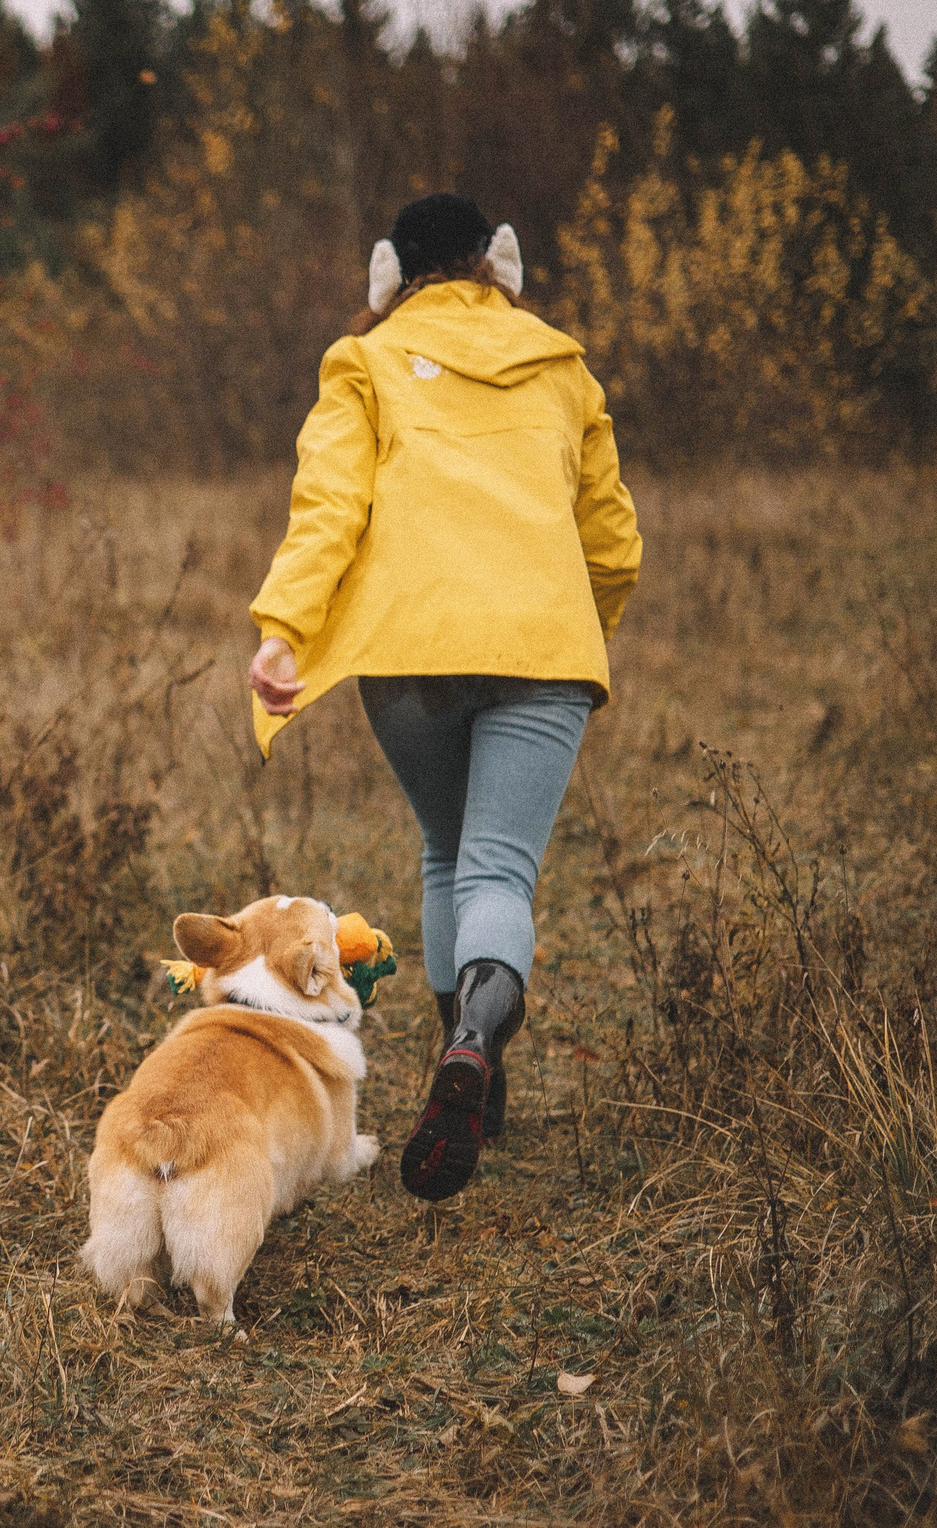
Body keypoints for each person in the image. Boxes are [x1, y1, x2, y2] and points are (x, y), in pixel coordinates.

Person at [245, 193, 641, 1203]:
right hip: (542, 645)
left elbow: (327, 504)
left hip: (410, 651)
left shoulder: (363, 361)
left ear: (388, 274)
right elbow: (611, 539)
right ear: (496, 264)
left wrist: (284, 629)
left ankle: (472, 1071)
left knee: (445, 849)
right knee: (497, 869)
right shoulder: (562, 365)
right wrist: (579, 619)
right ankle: (475, 1042)